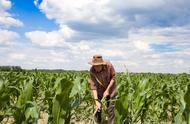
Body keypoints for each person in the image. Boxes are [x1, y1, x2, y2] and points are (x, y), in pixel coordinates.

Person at [88, 54, 116, 124]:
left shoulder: (109, 66)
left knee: (110, 110)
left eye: (97, 66)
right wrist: (96, 101)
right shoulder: (92, 71)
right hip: (99, 92)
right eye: (94, 65)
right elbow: (93, 87)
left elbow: (113, 77)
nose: (96, 68)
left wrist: (107, 90)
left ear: (102, 64)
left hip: (111, 91)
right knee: (98, 109)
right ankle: (98, 122)